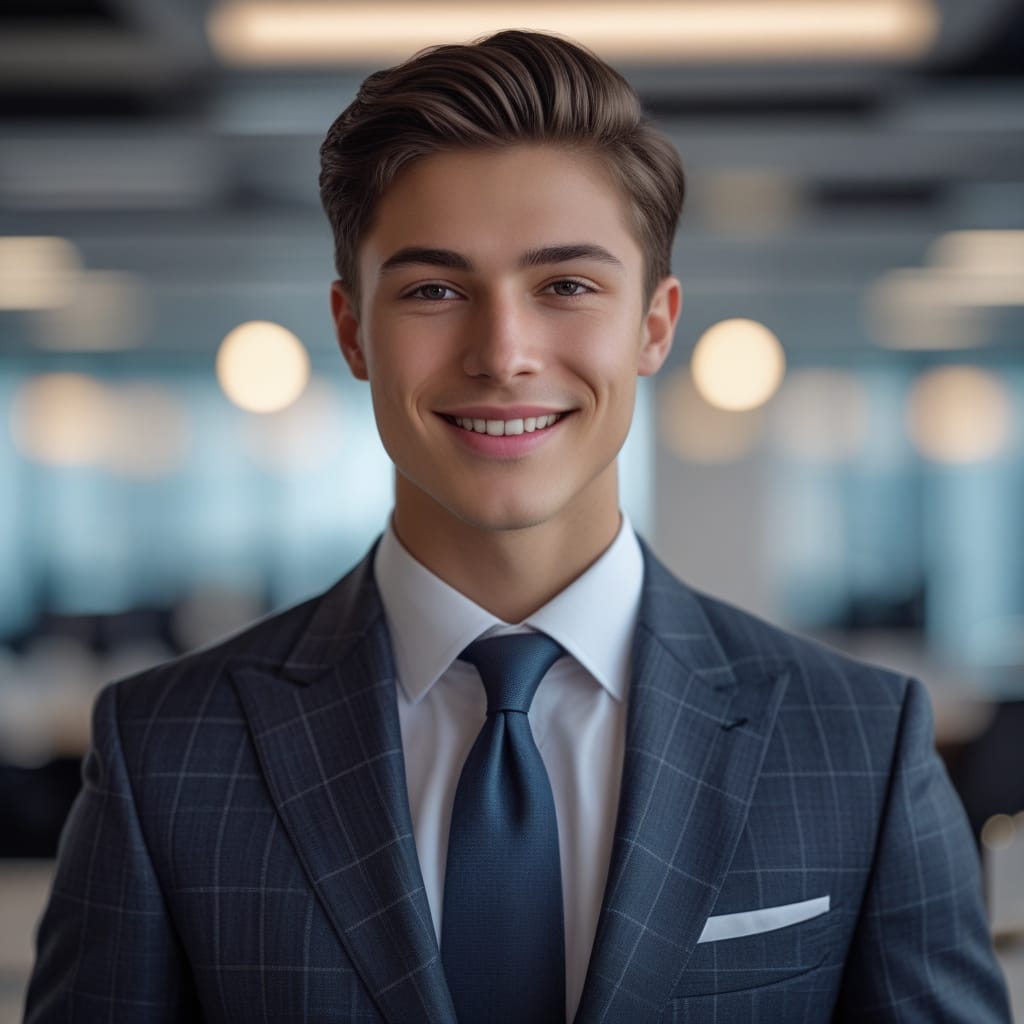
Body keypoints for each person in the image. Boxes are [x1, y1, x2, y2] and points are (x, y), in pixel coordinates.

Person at [25, 29, 1010, 1024]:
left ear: (654, 324)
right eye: (434, 290)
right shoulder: (165, 751)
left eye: (566, 286)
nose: (502, 353)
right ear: (353, 330)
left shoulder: (859, 741)